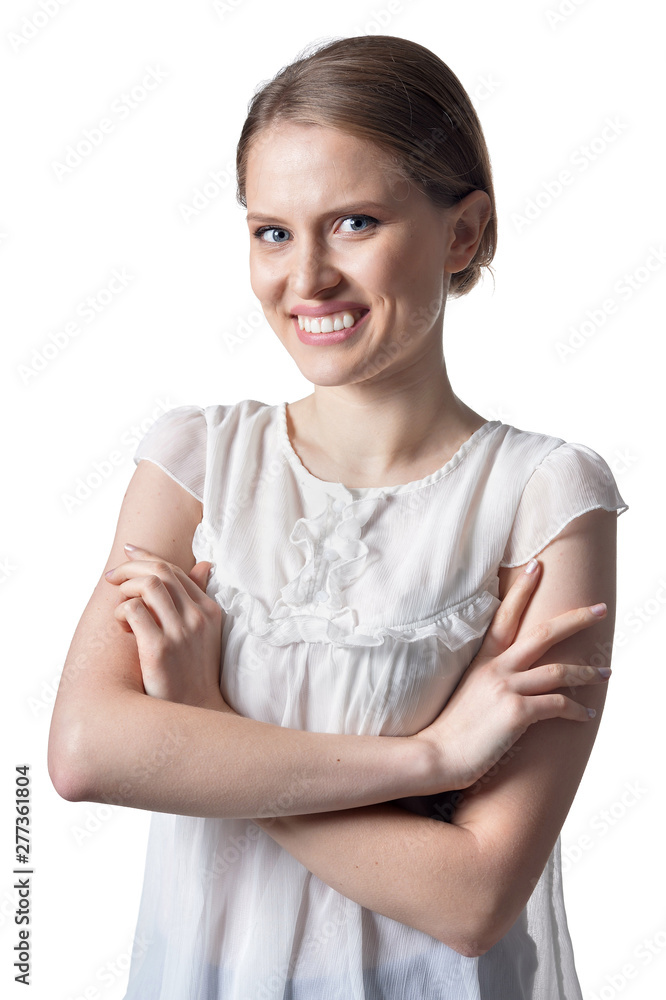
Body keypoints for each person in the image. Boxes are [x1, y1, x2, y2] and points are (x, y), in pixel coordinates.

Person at [48, 34, 629, 1000]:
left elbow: (475, 897)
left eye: (354, 222)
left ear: (464, 233)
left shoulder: (548, 498)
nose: (306, 277)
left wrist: (204, 729)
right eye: (272, 232)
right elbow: (83, 752)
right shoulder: (194, 463)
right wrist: (431, 758)